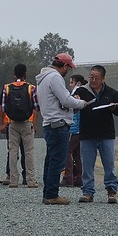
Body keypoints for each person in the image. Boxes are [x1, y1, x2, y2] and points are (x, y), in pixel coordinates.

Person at [34, 53, 88, 205]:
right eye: (69, 68)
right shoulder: (55, 77)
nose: (68, 72)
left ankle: (47, 193)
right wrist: (80, 103)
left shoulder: (43, 78)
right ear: (64, 66)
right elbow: (65, 99)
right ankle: (52, 195)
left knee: (50, 160)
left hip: (49, 123)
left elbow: (58, 101)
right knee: (57, 161)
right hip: (59, 124)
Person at [74, 65, 118, 204]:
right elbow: (72, 106)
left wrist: (114, 107)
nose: (93, 80)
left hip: (106, 134)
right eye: (91, 77)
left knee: (109, 165)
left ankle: (111, 191)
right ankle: (87, 192)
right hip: (87, 134)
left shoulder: (111, 92)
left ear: (103, 79)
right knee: (87, 166)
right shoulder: (82, 91)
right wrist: (76, 100)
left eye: (96, 78)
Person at [0, 64, 40, 189]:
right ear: (25, 74)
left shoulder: (6, 88)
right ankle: (31, 180)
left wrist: (1, 123)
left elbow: (2, 107)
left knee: (13, 151)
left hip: (12, 123)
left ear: (14, 74)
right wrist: (34, 124)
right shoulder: (31, 88)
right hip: (27, 123)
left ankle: (13, 180)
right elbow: (36, 107)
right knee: (28, 152)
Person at [62, 74, 86, 187]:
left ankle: (68, 177)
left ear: (77, 83)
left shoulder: (76, 95)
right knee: (77, 154)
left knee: (67, 152)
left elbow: (74, 112)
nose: (69, 85)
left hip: (74, 128)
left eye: (71, 82)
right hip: (80, 129)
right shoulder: (84, 94)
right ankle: (79, 178)